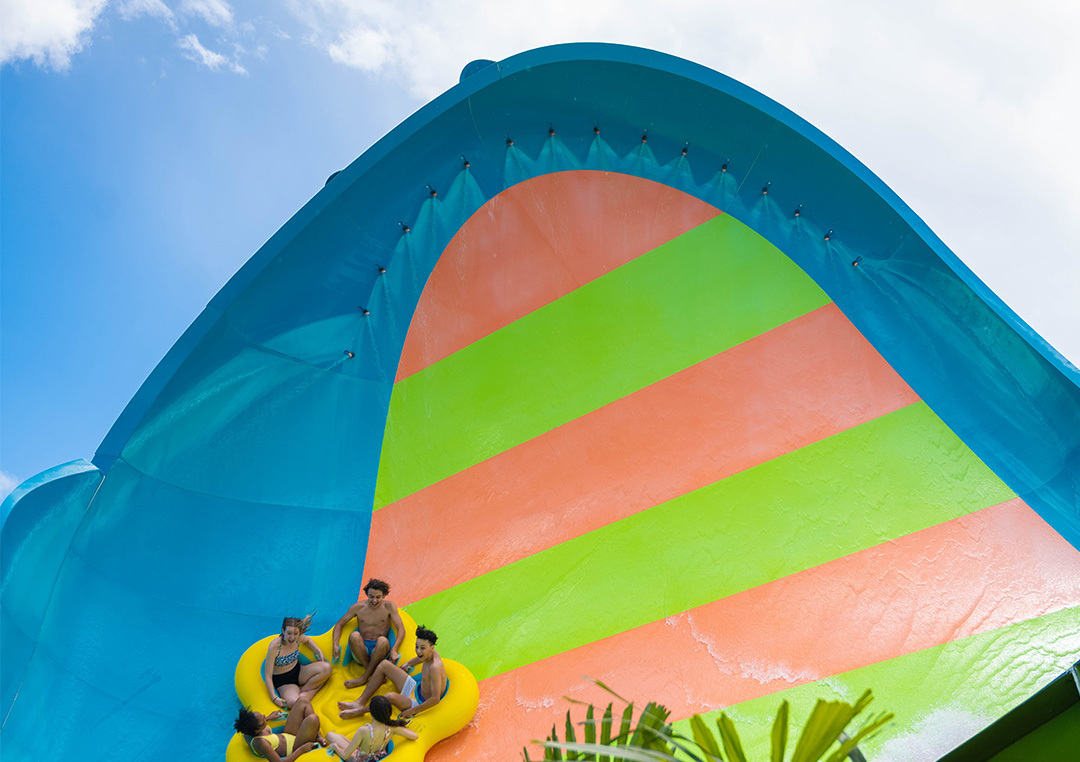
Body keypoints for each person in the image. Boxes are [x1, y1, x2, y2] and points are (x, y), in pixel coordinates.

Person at [337, 625, 446, 720]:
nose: (418, 651)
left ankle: (360, 711)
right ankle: (359, 702)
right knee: (384, 664)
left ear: (431, 647)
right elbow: (420, 657)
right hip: (416, 689)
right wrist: (408, 663)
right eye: (417, 647)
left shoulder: (434, 667)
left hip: (418, 702)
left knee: (389, 696)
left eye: (422, 648)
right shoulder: (430, 653)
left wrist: (411, 711)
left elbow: (435, 699)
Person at [331, 578, 405, 688]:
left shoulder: (389, 607)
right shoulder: (358, 608)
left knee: (383, 641)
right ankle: (372, 673)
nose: (374, 600)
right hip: (362, 650)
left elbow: (401, 629)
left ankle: (363, 678)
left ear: (384, 595)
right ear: (367, 594)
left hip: (380, 650)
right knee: (354, 636)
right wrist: (335, 645)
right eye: (371, 596)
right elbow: (339, 624)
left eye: (378, 597)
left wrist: (394, 650)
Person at [264, 615, 331, 708]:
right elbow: (268, 676)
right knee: (294, 702)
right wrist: (274, 698)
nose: (292, 637)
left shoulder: (299, 638)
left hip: (299, 672)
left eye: (295, 633)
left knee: (327, 668)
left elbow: (308, 641)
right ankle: (313, 691)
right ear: (283, 631)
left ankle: (304, 693)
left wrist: (319, 652)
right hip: (284, 681)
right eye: (289, 633)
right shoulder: (275, 646)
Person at [325, 695, 419, 761]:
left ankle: (348, 745)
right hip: (377, 757)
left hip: (360, 760)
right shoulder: (391, 728)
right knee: (345, 740)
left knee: (330, 735)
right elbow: (415, 736)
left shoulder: (364, 731)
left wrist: (335, 746)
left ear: (371, 712)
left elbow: (345, 756)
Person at [234, 697, 324, 762]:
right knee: (313, 719)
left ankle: (318, 736)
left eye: (262, 715)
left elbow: (255, 723)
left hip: (288, 734)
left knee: (303, 701)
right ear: (256, 730)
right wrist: (302, 749)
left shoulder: (249, 729)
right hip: (294, 747)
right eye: (263, 721)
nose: (264, 716)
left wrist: (268, 718)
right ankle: (315, 737)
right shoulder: (260, 743)